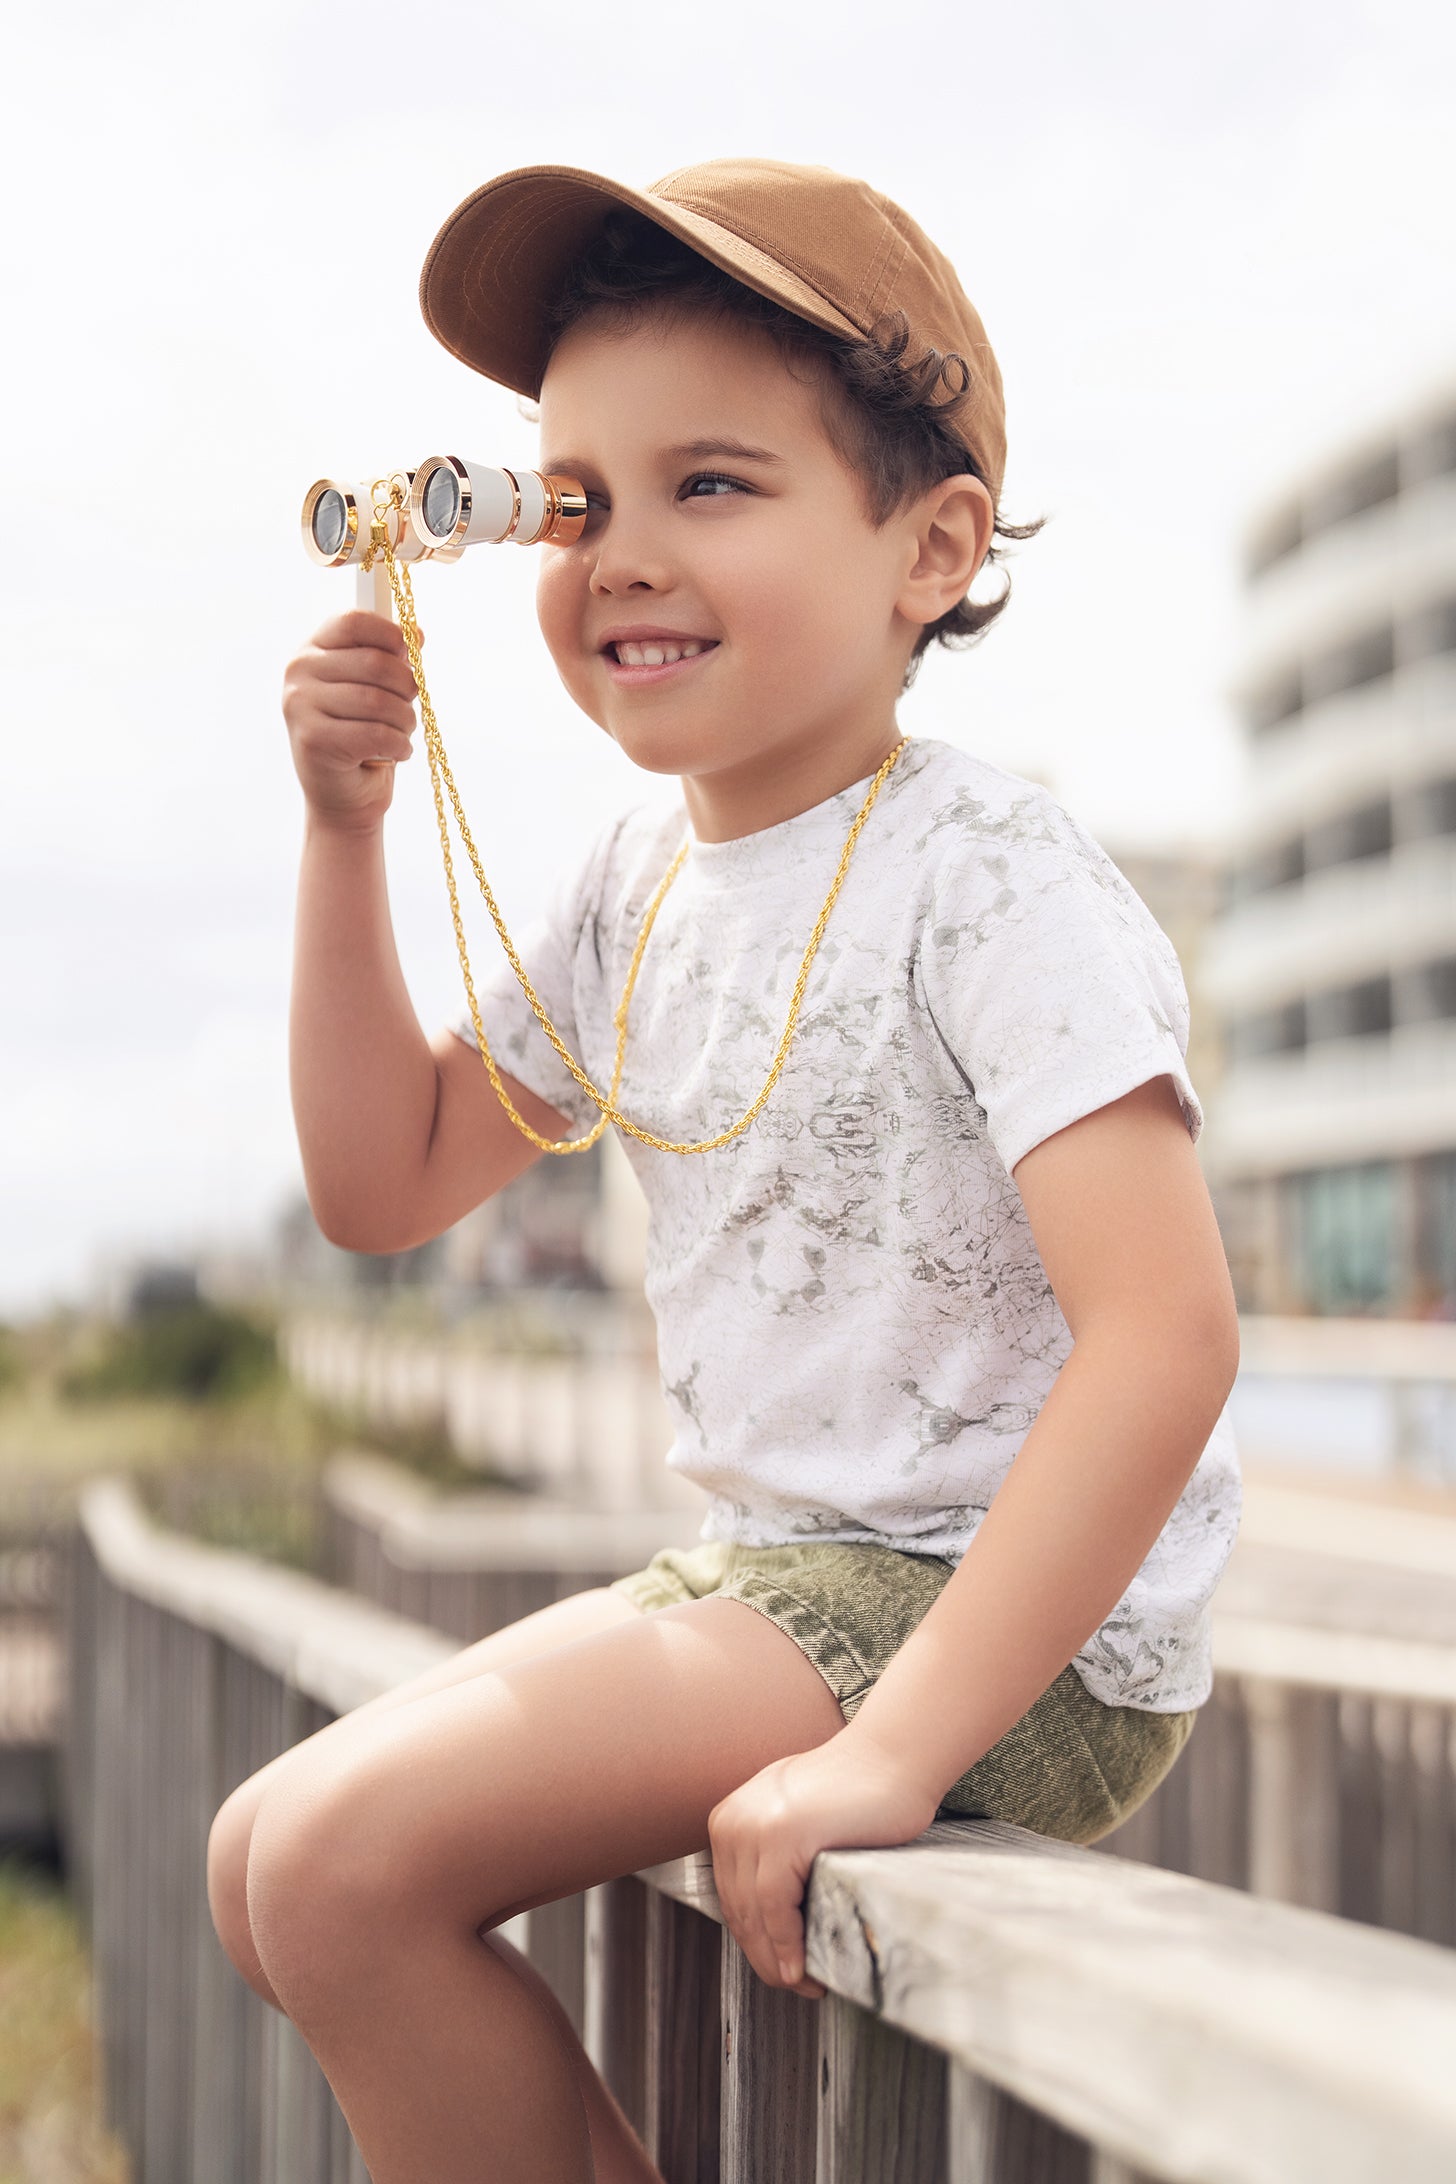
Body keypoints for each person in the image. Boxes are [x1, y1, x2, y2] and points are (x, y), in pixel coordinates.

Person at [207, 158, 1243, 2183]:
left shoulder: (988, 871)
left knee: (335, 1866)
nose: (619, 556)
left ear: (926, 549)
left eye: (712, 486)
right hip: (773, 1576)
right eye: (575, 500)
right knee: (262, 1858)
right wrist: (345, 835)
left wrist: (893, 1746)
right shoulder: (628, 882)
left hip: (988, 1625)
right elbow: (387, 1178)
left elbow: (1165, 1341)